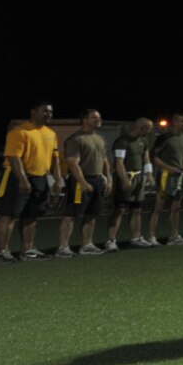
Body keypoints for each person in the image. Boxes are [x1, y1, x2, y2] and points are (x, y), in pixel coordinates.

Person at [0, 101, 62, 262]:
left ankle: (28, 250)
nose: (48, 114)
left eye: (50, 112)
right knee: (9, 214)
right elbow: (13, 157)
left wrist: (57, 179)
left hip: (40, 177)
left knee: (32, 215)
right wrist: (23, 179)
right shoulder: (20, 131)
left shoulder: (51, 133)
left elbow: (55, 158)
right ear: (33, 112)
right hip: (17, 177)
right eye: (44, 111)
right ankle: (2, 252)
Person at [56, 109, 111, 257]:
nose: (98, 119)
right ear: (84, 120)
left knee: (92, 214)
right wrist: (83, 182)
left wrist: (108, 179)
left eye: (99, 117)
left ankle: (87, 245)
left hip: (98, 180)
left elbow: (105, 160)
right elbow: (73, 163)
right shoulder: (76, 139)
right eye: (94, 117)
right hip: (81, 181)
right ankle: (63, 247)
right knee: (71, 214)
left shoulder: (100, 138)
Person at [105, 117, 158, 249]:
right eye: (148, 129)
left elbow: (146, 159)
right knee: (120, 209)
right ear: (141, 127)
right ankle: (111, 240)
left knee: (136, 209)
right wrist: (125, 180)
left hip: (139, 178)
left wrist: (149, 175)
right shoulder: (122, 142)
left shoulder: (143, 141)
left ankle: (136, 238)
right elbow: (119, 163)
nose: (149, 132)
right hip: (126, 177)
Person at [151, 113, 183, 245]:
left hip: (179, 176)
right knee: (158, 206)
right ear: (175, 122)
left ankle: (174, 236)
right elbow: (153, 157)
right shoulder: (164, 138)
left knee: (176, 207)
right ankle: (151, 237)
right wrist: (169, 168)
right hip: (166, 176)